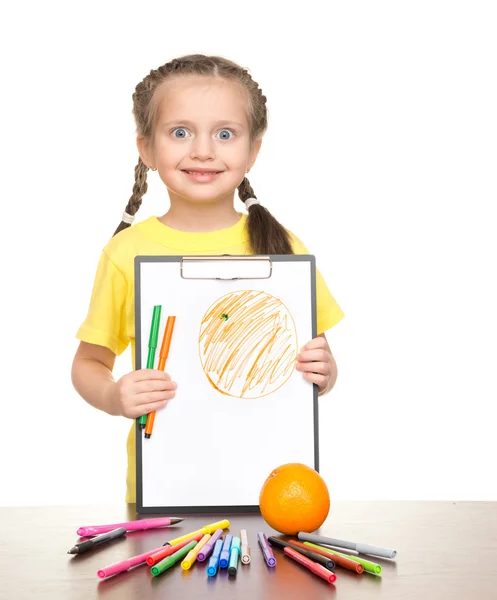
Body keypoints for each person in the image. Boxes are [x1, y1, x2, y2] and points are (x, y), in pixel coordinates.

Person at [71, 54, 344, 503]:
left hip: (278, 495)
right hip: (164, 493)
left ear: (253, 149)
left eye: (225, 134)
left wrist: (326, 372)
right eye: (180, 132)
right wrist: (116, 396)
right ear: (146, 148)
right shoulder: (125, 253)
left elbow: (318, 365)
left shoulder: (285, 247)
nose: (202, 150)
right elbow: (87, 364)